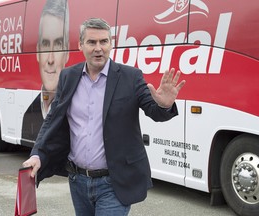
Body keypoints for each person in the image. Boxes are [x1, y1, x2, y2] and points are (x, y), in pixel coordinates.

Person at [23, 18, 186, 215]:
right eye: (92, 42)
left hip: (113, 183)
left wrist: (164, 105)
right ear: (80, 45)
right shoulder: (68, 76)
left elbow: (154, 111)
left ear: (111, 43)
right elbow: (52, 119)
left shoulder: (131, 77)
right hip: (77, 180)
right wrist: (37, 154)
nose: (98, 48)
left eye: (104, 42)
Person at [21, 0, 69, 145]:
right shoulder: (28, 116)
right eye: (46, 44)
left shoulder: (75, 109)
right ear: (37, 52)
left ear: (67, 53)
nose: (50, 59)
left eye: (59, 44)